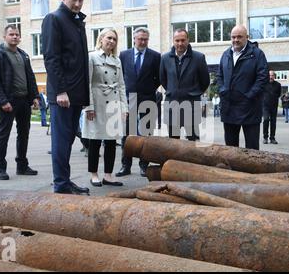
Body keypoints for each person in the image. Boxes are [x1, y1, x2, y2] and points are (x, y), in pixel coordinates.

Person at [42, 0, 90, 195]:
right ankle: (61, 185)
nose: (77, 3)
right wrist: (60, 91)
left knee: (69, 140)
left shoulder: (77, 22)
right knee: (61, 141)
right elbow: (52, 58)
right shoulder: (54, 19)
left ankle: (65, 180)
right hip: (63, 95)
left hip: (77, 94)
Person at [0, 25, 40, 180]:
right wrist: (3, 101)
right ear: (5, 36)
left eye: (17, 34)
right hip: (8, 102)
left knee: (24, 134)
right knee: (4, 134)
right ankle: (0, 168)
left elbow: (30, 77)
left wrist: (35, 97)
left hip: (24, 100)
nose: (15, 37)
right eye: (11, 34)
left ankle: (22, 166)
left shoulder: (23, 55)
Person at [82, 28, 127, 187]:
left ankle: (108, 175)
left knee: (111, 141)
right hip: (97, 101)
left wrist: (124, 107)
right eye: (109, 38)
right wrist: (89, 107)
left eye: (114, 39)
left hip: (114, 102)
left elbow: (121, 85)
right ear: (101, 39)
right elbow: (86, 83)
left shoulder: (117, 60)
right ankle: (94, 174)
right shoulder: (91, 57)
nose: (112, 41)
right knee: (94, 139)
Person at [115, 27, 161, 178]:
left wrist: (148, 90)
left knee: (145, 135)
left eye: (145, 39)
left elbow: (159, 78)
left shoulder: (155, 56)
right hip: (128, 100)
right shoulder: (124, 55)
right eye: (140, 39)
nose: (142, 41)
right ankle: (125, 166)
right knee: (127, 135)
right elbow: (120, 77)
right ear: (134, 39)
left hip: (148, 99)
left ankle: (143, 166)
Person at [216, 25, 268, 150]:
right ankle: (232, 170)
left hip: (250, 108)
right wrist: (223, 90)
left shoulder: (257, 54)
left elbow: (262, 78)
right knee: (231, 148)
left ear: (247, 37)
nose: (236, 40)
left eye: (239, 37)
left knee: (252, 149)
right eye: (233, 37)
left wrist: (249, 96)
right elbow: (219, 75)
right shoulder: (226, 54)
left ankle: (251, 170)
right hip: (229, 108)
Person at [160, 28, 210, 141]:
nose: (180, 43)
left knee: (193, 143)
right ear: (173, 41)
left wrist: (194, 93)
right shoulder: (165, 58)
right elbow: (163, 80)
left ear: (188, 40)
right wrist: (173, 91)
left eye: (183, 40)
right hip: (172, 105)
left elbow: (205, 81)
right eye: (177, 40)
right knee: (173, 143)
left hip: (191, 106)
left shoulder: (199, 58)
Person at [262, 70, 281, 144]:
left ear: (274, 76)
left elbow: (279, 94)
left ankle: (272, 138)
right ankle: (265, 137)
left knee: (273, 122)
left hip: (274, 106)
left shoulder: (278, 85)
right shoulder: (264, 84)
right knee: (266, 119)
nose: (271, 77)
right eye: (270, 75)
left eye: (272, 75)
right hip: (265, 106)